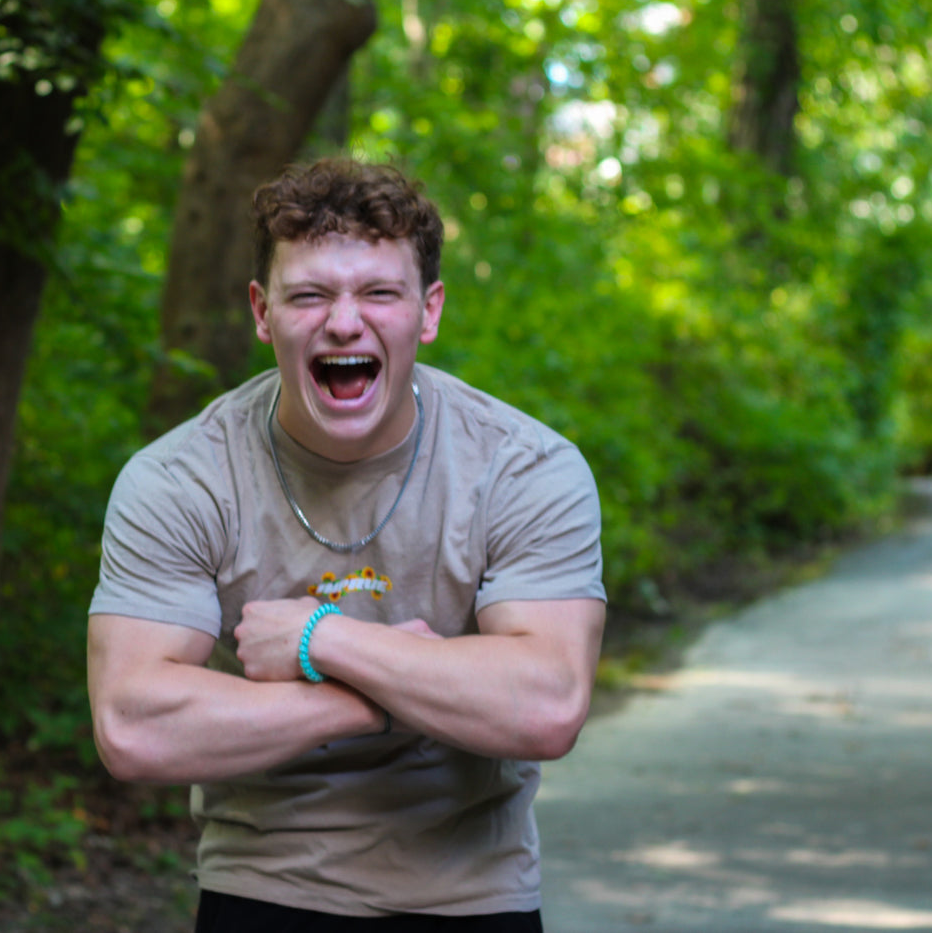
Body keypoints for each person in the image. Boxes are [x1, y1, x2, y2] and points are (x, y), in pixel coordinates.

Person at [87, 158, 607, 932]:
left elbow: (547, 704)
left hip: (473, 895)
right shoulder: (180, 477)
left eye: (377, 292)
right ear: (262, 312)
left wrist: (315, 637)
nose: (342, 321)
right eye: (309, 294)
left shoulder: (523, 465)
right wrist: (380, 697)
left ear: (426, 312)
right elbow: (133, 725)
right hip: (262, 888)